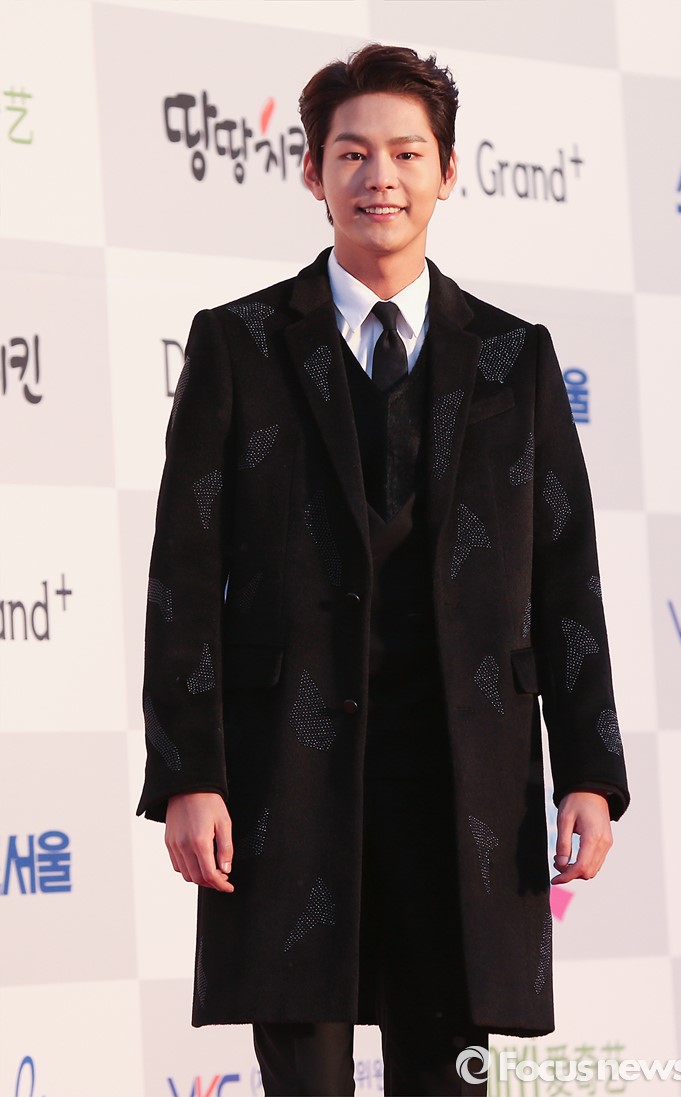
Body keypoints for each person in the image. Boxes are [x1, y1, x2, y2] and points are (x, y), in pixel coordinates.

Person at [137, 43, 630, 1097]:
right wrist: (188, 771)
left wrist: (589, 768)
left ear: (447, 172)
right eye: (352, 153)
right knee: (304, 1073)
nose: (380, 178)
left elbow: (565, 575)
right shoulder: (238, 345)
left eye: (407, 153)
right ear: (312, 172)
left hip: (464, 778)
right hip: (286, 774)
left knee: (448, 1072)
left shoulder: (513, 357)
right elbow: (184, 574)